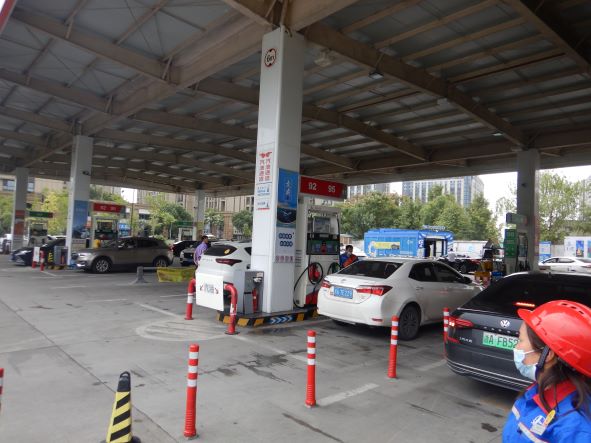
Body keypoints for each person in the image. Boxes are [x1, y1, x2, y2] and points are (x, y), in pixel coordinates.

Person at [503, 300, 591, 442]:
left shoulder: (575, 429)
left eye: (520, 340)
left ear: (548, 354)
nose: (516, 347)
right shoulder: (536, 392)